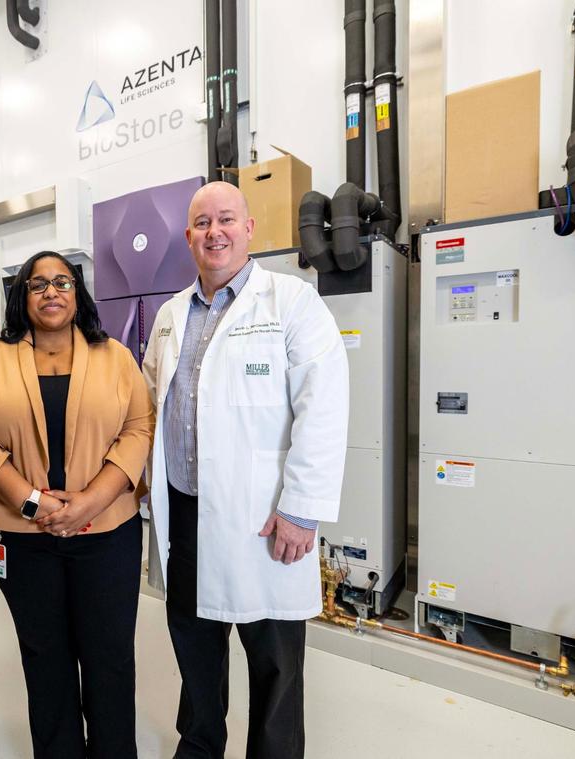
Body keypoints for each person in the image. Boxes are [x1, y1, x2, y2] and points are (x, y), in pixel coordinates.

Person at [141, 181, 349, 759]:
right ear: (189, 237)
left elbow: (324, 409)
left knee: (275, 660)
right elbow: (148, 403)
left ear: (249, 229)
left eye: (226, 219)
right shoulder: (169, 315)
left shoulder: (291, 302)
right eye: (203, 223)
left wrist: (301, 509)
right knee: (195, 647)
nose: (215, 232)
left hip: (265, 517)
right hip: (186, 514)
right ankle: (199, 745)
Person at [0, 251, 154, 759]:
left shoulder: (115, 357)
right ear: (22, 296)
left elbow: (139, 428)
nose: (51, 292)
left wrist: (90, 501)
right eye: (37, 283)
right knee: (45, 656)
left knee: (109, 656)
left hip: (106, 531)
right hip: (19, 535)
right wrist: (31, 503)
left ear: (77, 293)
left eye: (62, 282)